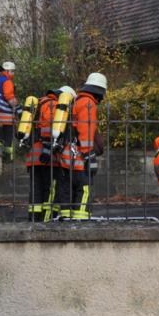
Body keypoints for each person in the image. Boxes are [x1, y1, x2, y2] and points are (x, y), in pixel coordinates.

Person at [58, 73, 107, 220]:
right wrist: (88, 154)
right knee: (84, 190)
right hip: (80, 158)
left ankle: (66, 219)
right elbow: (85, 129)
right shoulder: (88, 103)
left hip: (67, 157)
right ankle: (81, 221)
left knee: (68, 191)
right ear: (99, 91)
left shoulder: (77, 101)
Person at [25, 86, 76, 222]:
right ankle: (46, 219)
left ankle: (34, 218)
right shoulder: (54, 105)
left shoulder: (39, 103)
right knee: (49, 189)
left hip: (34, 156)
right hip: (47, 155)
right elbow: (49, 129)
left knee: (36, 188)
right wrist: (49, 148)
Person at [0, 61, 18, 162]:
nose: (13, 74)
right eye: (12, 71)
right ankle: (7, 158)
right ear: (8, 71)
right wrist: (17, 108)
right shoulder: (7, 81)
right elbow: (9, 96)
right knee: (8, 139)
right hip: (5, 115)